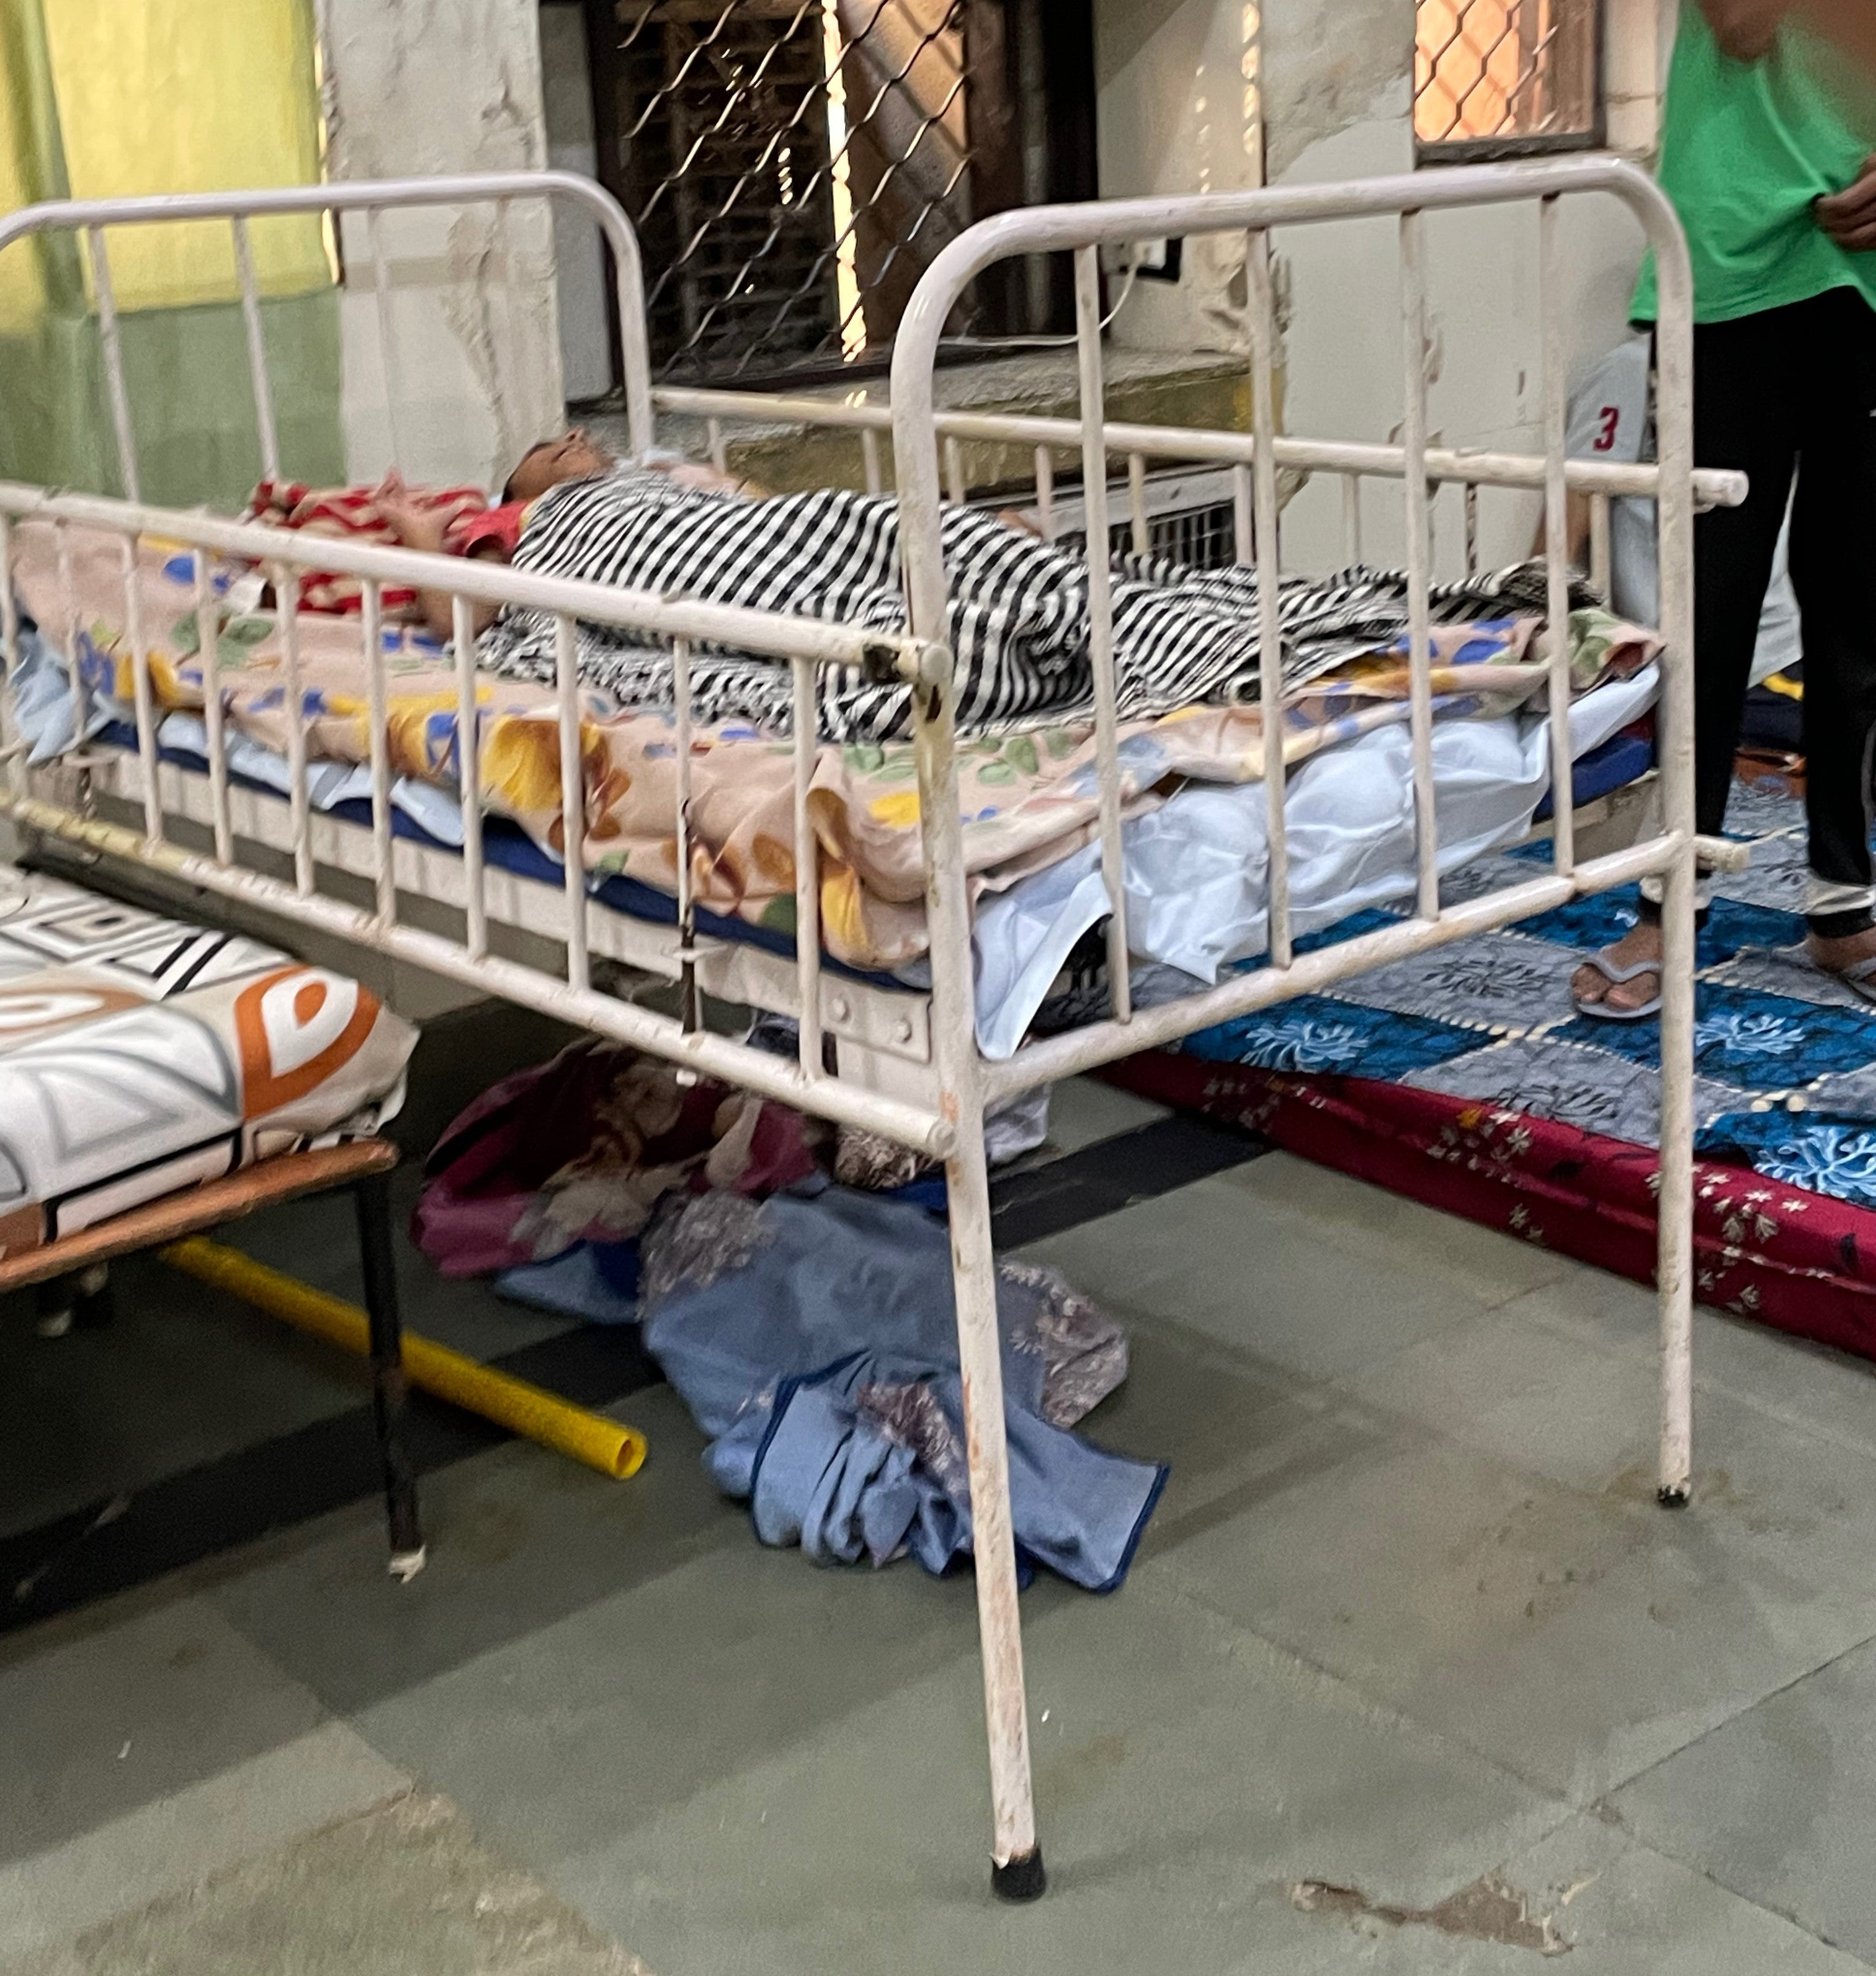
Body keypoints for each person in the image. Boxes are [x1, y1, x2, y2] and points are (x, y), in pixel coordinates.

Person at [1571, 0, 1876, 1017]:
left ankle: (1844, 899)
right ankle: (1674, 896)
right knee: (1707, 596)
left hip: (1865, 273)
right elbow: (1742, 23)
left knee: (1857, 611)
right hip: (1732, 259)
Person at [373, 429, 757, 642]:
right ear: (515, 491)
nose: (576, 435)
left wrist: (715, 480)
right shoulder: (516, 516)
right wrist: (421, 538)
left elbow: (765, 514)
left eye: (584, 441)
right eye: (545, 449)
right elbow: (464, 621)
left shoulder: (653, 483)